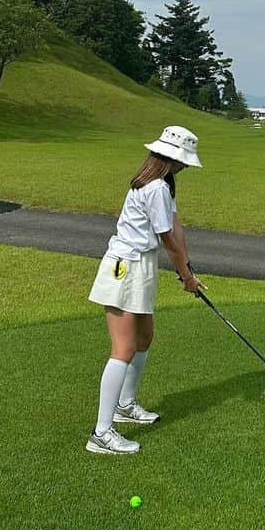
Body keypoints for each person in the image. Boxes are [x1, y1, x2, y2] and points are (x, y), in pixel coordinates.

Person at [85, 125, 206, 455]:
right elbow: (167, 239)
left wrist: (188, 270)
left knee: (144, 338)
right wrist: (185, 275)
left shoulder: (165, 185)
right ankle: (101, 434)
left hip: (141, 267)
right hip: (125, 267)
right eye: (181, 161)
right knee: (123, 349)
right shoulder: (153, 188)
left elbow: (176, 226)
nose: (183, 166)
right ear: (170, 158)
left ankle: (125, 405)